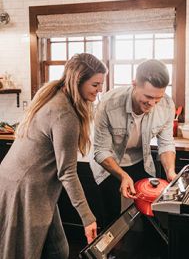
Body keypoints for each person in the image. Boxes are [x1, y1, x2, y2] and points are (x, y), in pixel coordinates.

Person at [0, 53, 108, 259]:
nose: (99, 90)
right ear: (78, 80)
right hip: (25, 188)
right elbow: (67, 172)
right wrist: (87, 218)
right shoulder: (65, 113)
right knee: (24, 252)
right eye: (95, 84)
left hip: (20, 181)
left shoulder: (57, 94)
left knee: (58, 250)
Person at [92, 59, 176, 226]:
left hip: (141, 162)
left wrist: (171, 171)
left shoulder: (166, 105)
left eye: (157, 98)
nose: (152, 104)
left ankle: (148, 249)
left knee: (151, 215)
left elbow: (166, 143)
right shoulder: (109, 103)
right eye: (148, 97)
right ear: (134, 84)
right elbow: (101, 150)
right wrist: (123, 176)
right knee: (112, 219)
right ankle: (113, 252)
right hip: (110, 164)